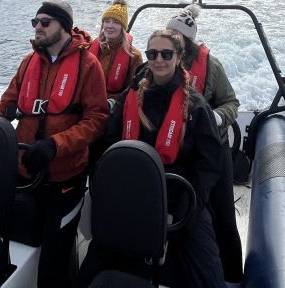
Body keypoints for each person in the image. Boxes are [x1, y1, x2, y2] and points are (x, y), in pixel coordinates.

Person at [81, 29, 225, 288]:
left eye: (166, 54)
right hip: (131, 194)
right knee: (91, 266)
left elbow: (209, 163)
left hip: (180, 197)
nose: (158, 60)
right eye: (152, 54)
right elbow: (110, 143)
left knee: (207, 275)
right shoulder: (131, 96)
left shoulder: (196, 106)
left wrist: (189, 205)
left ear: (179, 57)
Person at [0, 0, 107, 288]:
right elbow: (6, 104)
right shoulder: (28, 62)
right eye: (35, 22)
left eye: (45, 22)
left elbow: (97, 118)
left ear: (63, 26)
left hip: (65, 178)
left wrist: (56, 145)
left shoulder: (89, 65)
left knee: (56, 258)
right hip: (24, 170)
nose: (38, 27)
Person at [166, 3, 244, 283]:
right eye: (169, 33)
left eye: (177, 36)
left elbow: (231, 102)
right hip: (177, 151)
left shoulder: (210, 65)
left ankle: (232, 274)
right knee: (179, 209)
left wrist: (215, 117)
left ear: (188, 39)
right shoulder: (161, 62)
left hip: (212, 146)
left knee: (222, 212)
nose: (172, 39)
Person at [88, 0, 143, 111]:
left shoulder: (134, 56)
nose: (109, 26)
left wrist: (111, 102)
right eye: (107, 21)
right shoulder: (91, 48)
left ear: (123, 28)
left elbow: (133, 91)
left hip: (114, 108)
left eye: (116, 22)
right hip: (87, 104)